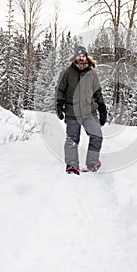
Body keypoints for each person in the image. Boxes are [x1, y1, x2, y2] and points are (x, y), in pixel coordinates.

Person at [56, 45, 107, 175]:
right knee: (72, 140)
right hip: (72, 112)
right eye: (78, 56)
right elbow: (60, 90)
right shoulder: (67, 73)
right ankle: (72, 166)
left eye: (83, 56)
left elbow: (98, 92)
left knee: (97, 136)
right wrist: (59, 104)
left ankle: (92, 163)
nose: (81, 58)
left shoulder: (92, 74)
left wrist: (102, 109)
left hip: (90, 112)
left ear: (86, 57)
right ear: (75, 57)